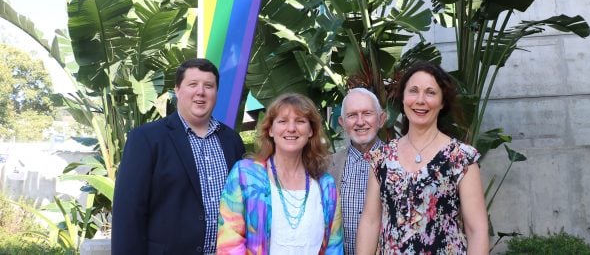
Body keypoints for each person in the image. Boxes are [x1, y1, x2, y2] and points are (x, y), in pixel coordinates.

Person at [112, 58, 246, 255]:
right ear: (177, 90)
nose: (201, 91)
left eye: (208, 86)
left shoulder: (232, 141)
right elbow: (128, 214)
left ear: (216, 93)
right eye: (193, 84)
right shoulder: (146, 139)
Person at [356, 62, 489, 255]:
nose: (420, 100)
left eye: (430, 92)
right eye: (413, 91)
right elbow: (370, 222)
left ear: (442, 102)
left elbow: (477, 230)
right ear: (402, 98)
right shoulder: (381, 158)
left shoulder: (460, 158)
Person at [217, 93, 343, 254]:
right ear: (270, 130)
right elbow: (229, 241)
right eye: (282, 121)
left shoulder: (326, 186)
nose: (291, 128)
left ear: (311, 131)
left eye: (300, 121)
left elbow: (334, 247)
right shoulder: (245, 175)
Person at [328, 88, 386, 255]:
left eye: (367, 113)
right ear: (342, 122)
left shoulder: (399, 162)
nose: (360, 122)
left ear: (381, 119)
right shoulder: (328, 166)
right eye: (352, 115)